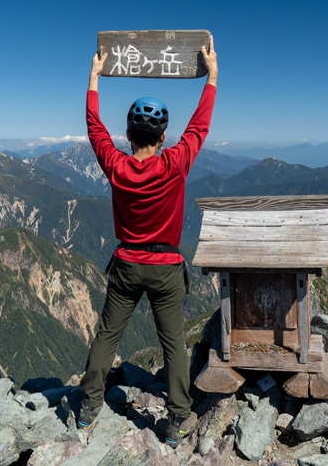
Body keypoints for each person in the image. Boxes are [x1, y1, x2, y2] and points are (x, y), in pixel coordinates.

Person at [79, 35, 218, 448]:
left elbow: (93, 128)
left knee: (108, 335)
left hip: (125, 264)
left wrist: (94, 78)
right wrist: (211, 77)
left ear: (128, 132)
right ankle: (178, 419)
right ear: (163, 135)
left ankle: (88, 407)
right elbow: (200, 124)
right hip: (165, 269)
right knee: (173, 342)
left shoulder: (117, 166)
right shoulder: (175, 164)